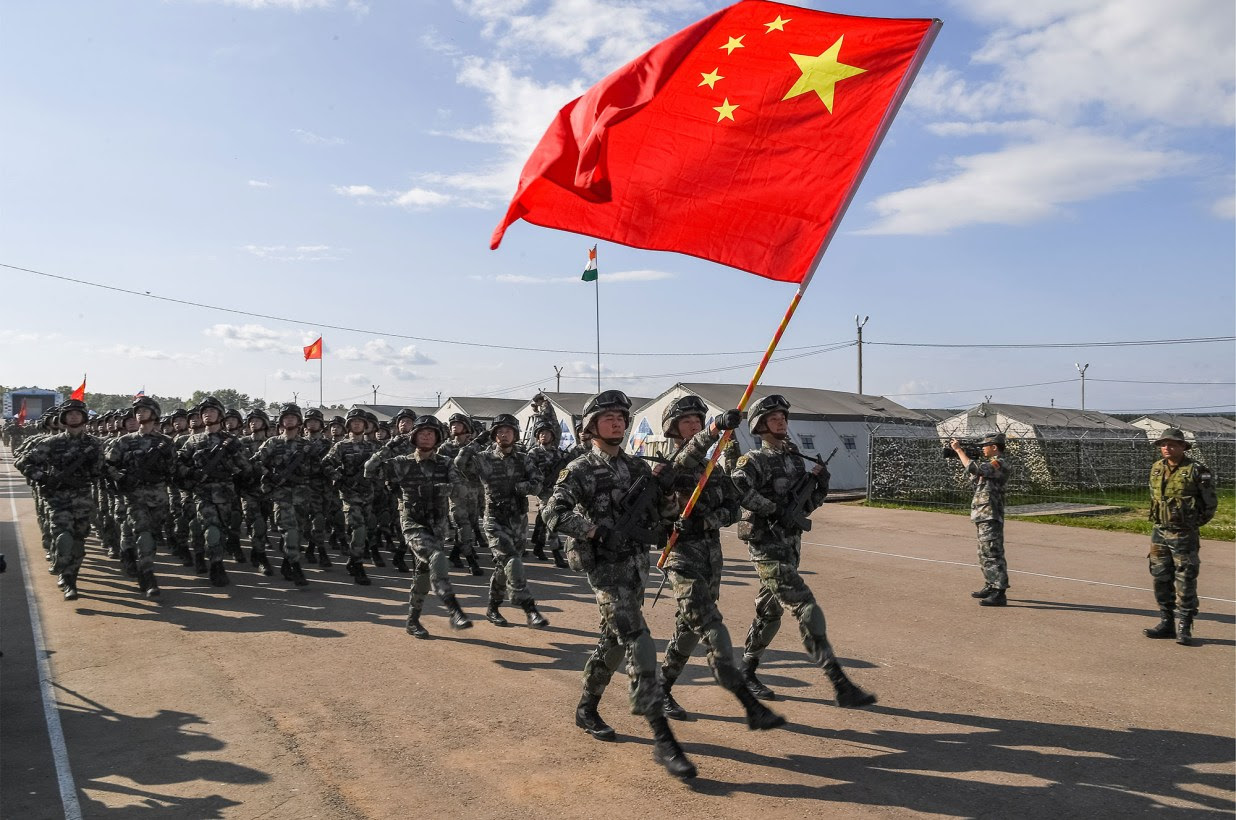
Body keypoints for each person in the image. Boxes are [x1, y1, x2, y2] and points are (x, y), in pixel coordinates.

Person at [545, 390, 697, 780]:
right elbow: (553, 511)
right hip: (606, 569)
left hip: (634, 567)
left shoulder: (638, 467)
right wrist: (593, 530)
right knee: (638, 639)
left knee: (613, 640)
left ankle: (586, 706)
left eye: (621, 417)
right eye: (607, 417)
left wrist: (666, 491)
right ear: (591, 427)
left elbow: (665, 515)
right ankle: (663, 738)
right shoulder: (579, 469)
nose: (617, 422)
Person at [731, 394, 876, 708]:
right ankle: (839, 682)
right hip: (766, 548)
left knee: (770, 612)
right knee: (805, 606)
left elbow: (807, 506)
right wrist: (771, 509)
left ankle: (746, 670)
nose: (781, 421)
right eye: (774, 418)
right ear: (759, 425)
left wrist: (820, 484)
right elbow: (737, 488)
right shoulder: (753, 460)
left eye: (783, 416)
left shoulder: (797, 459)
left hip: (790, 546)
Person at [656, 395, 785, 730]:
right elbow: (688, 455)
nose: (695, 426)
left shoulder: (711, 468)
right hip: (681, 557)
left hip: (711, 557)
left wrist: (707, 521)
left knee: (688, 628)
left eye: (699, 421)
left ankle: (662, 687)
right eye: (687, 422)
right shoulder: (670, 465)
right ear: (672, 428)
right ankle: (747, 702)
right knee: (710, 624)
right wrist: (714, 428)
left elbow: (732, 506)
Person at [369, 415, 472, 637]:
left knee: (423, 575)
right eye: (422, 433)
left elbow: (462, 490)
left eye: (430, 434)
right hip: (413, 524)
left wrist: (441, 490)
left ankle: (412, 620)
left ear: (437, 438)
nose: (426, 437)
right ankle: (454, 609)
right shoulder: (402, 463)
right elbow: (370, 469)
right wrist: (391, 444)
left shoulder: (446, 463)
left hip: (437, 526)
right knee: (436, 559)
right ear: (414, 437)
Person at [455, 413, 549, 628]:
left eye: (508, 431)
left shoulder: (524, 459)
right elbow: (460, 463)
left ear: (515, 435)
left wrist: (522, 488)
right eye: (499, 431)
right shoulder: (484, 458)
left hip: (518, 520)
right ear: (493, 435)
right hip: (494, 520)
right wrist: (478, 439)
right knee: (511, 561)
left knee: (503, 566)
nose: (503, 434)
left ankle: (492, 607)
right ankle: (530, 608)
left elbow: (538, 482)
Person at [15, 399, 104, 601]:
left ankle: (71, 576)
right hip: (57, 498)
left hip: (82, 498)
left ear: (84, 418)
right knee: (63, 537)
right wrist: (44, 478)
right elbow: (23, 461)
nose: (73, 416)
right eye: (69, 413)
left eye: (77, 413)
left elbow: (99, 472)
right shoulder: (51, 443)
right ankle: (65, 573)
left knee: (79, 543)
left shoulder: (94, 444)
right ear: (63, 418)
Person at [1143, 428, 1218, 646]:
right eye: (1163, 444)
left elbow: (1210, 504)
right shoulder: (1156, 468)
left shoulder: (1196, 470)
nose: (1166, 448)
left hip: (1184, 533)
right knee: (1160, 575)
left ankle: (1185, 626)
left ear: (1183, 446)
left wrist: (1191, 525)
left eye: (1172, 444)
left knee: (1185, 577)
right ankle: (1166, 622)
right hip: (1159, 531)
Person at [104, 396, 176, 598]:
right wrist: (122, 478)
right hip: (134, 496)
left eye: (145, 410)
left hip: (158, 496)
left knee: (151, 534)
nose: (139, 413)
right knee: (142, 532)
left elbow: (173, 469)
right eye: (137, 410)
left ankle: (135, 557)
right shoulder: (124, 441)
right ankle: (147, 574)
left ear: (154, 414)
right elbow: (109, 465)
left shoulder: (166, 442)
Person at [177, 396, 252, 587]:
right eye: (204, 412)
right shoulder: (194, 440)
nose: (207, 414)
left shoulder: (231, 441)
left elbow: (246, 468)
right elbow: (178, 465)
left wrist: (235, 452)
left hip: (225, 493)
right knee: (211, 530)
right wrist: (193, 473)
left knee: (222, 530)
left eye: (211, 411)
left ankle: (205, 554)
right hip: (202, 493)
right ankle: (216, 566)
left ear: (220, 414)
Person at [253, 404, 315, 586]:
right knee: (290, 533)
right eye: (286, 417)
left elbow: (316, 468)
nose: (289, 420)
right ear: (281, 421)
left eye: (293, 417)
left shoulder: (306, 445)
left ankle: (287, 564)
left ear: (299, 422)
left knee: (299, 531)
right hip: (281, 495)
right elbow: (256, 462)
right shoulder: (273, 442)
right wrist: (270, 475)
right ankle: (296, 567)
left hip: (302, 495)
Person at [950, 432, 1012, 607]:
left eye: (985, 445)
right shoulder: (991, 464)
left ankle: (999, 592)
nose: (983, 448)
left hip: (991, 513)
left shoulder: (999, 462)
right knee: (984, 552)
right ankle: (990, 584)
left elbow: (974, 469)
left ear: (994, 447)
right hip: (983, 513)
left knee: (993, 552)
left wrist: (959, 451)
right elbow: (975, 477)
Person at [322, 408, 377, 585]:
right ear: (348, 426)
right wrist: (341, 479)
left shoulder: (373, 447)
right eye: (353, 422)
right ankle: (358, 565)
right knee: (358, 529)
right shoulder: (341, 446)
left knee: (364, 529)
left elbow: (383, 467)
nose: (356, 424)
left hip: (368, 494)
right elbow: (326, 464)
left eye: (360, 422)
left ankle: (352, 560)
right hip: (349, 495)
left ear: (365, 425)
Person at [527, 418, 569, 567]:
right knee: (553, 519)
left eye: (547, 433)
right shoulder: (534, 453)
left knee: (543, 519)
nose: (544, 435)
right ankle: (557, 553)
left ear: (552, 436)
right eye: (541, 433)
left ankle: (538, 547)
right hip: (543, 491)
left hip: (556, 490)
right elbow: (529, 470)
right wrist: (539, 480)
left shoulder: (558, 454)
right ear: (537, 436)